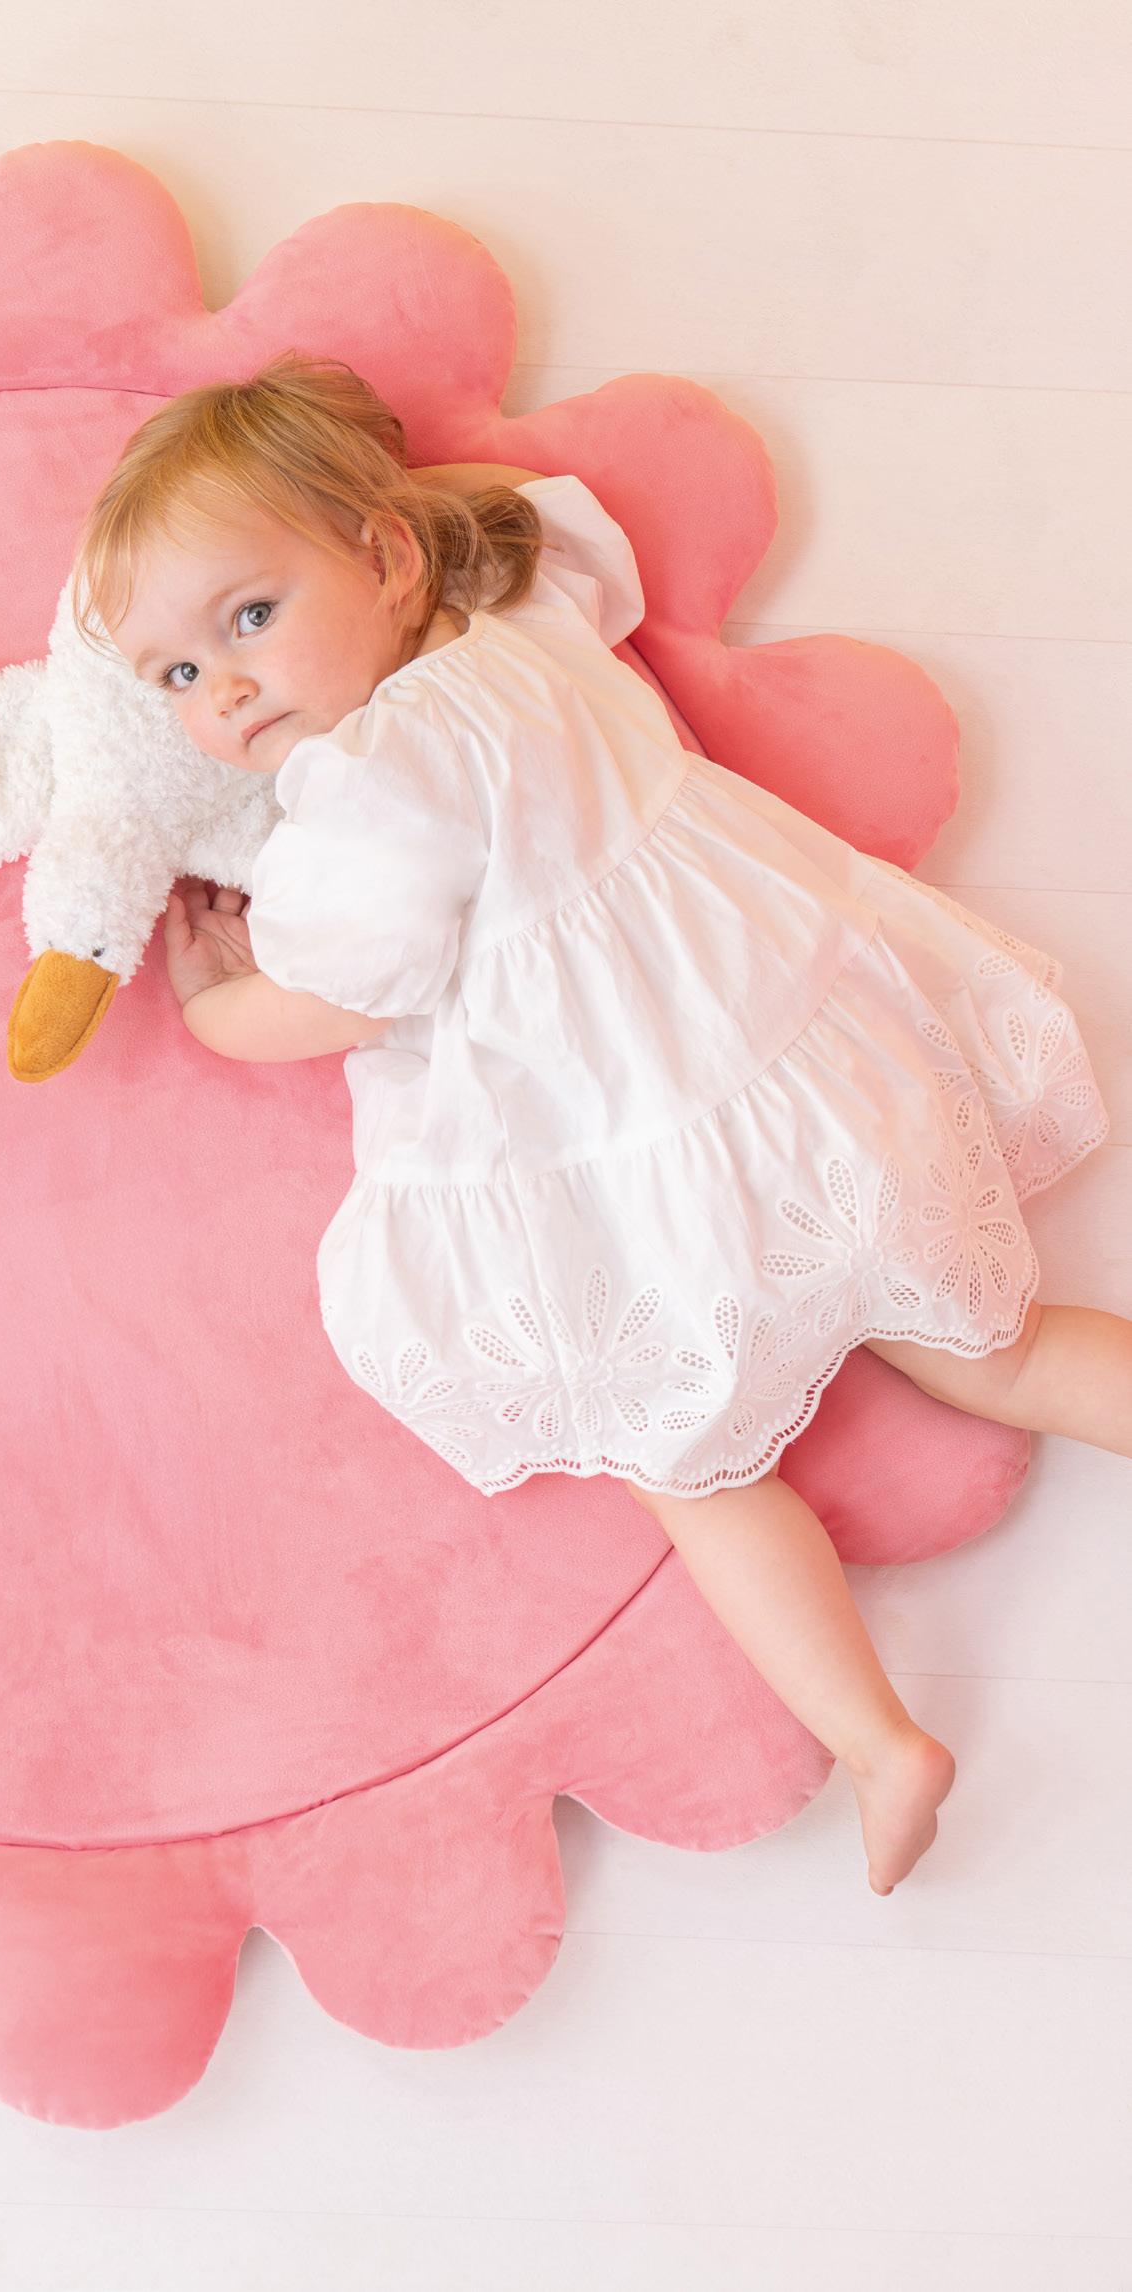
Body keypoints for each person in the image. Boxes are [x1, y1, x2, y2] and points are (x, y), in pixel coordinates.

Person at [70, 352, 1128, 1896]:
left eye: (248, 617)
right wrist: (390, 524)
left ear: (383, 557)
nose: (223, 691)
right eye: (172, 676)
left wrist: (216, 1002)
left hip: (647, 1171)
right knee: (998, 1352)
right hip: (800, 1078)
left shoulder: (367, 787)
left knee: (687, 1469)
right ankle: (891, 1727)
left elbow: (347, 996)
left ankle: (878, 1742)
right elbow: (548, 524)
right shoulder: (526, 612)